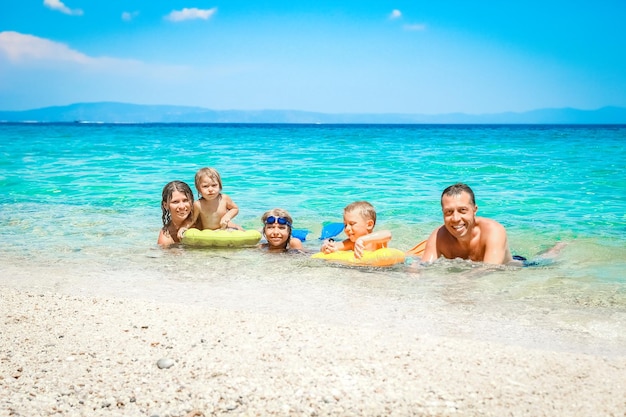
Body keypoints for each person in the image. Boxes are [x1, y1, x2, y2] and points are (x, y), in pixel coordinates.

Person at [420, 183, 514, 265]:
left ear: (474, 210)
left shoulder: (494, 231)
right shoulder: (438, 236)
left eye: (462, 210)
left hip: (511, 269)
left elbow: (490, 270)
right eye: (449, 212)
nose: (455, 218)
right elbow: (424, 266)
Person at [320, 201, 391, 259]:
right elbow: (334, 247)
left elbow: (388, 234)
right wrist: (326, 248)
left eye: (352, 224)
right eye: (345, 225)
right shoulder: (351, 243)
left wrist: (362, 240)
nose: (346, 229)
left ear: (369, 225)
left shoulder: (376, 241)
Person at [186, 167, 243, 231]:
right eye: (205, 186)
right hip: (209, 232)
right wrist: (184, 228)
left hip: (224, 228)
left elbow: (235, 208)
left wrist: (227, 216)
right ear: (198, 189)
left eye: (214, 185)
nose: (210, 189)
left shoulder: (224, 199)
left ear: (220, 186)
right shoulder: (198, 204)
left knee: (240, 230)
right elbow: (192, 220)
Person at [157, 180, 194, 247]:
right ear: (166, 205)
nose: (182, 206)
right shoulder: (166, 238)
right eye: (175, 202)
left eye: (185, 200)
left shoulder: (202, 220)